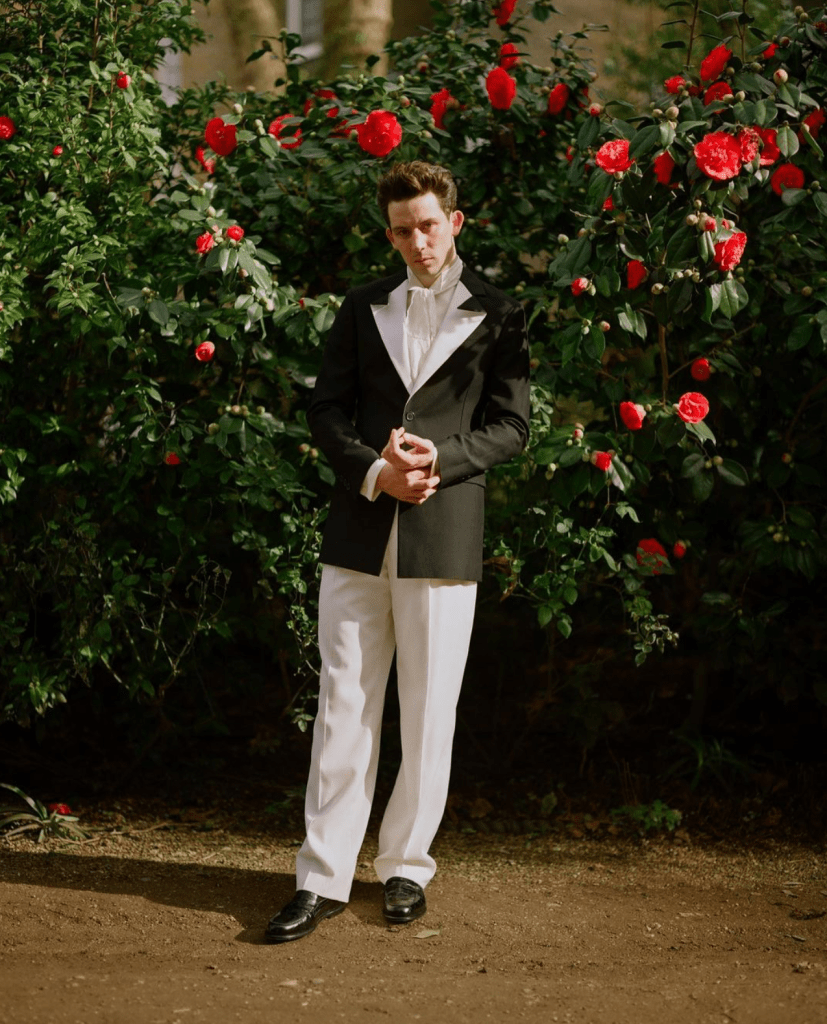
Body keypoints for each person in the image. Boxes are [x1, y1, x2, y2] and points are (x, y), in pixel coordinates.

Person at [265, 160, 530, 943]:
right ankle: (321, 878)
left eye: (428, 225)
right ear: (388, 235)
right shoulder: (360, 306)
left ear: (455, 221)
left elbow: (512, 426)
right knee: (342, 707)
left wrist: (440, 460)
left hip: (443, 535)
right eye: (402, 230)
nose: (417, 241)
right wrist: (375, 471)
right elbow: (326, 410)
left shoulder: (501, 313)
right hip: (357, 530)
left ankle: (406, 866)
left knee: (428, 711)